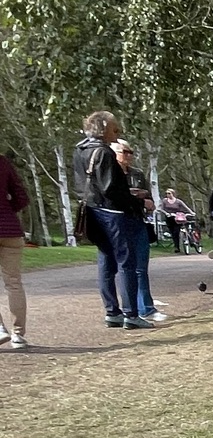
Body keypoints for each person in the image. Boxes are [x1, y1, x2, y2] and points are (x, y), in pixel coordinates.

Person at [73, 110, 152, 330]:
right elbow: (111, 189)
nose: (117, 132)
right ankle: (131, 314)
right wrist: (135, 201)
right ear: (103, 128)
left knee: (106, 262)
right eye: (114, 128)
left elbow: (80, 184)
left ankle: (112, 312)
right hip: (113, 213)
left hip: (92, 210)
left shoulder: (80, 150)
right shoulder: (104, 152)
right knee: (126, 263)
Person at [112, 140, 168, 322]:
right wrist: (134, 197)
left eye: (131, 152)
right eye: (124, 152)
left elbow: (149, 199)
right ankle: (124, 311)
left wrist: (146, 201)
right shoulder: (109, 173)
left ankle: (146, 309)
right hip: (118, 223)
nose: (128, 156)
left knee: (141, 268)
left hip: (138, 221)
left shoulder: (137, 174)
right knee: (122, 268)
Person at [0, 151, 29, 348]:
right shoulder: (3, 162)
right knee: (14, 283)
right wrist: (8, 210)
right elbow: (21, 196)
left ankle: (0, 329)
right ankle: (18, 334)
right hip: (10, 229)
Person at [161, 186, 195, 251]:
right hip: (169, 218)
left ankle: (187, 242)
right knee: (172, 232)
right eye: (167, 193)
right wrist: (166, 213)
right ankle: (176, 246)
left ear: (173, 194)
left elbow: (185, 207)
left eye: (169, 193)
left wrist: (191, 212)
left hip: (177, 218)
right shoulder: (165, 201)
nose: (168, 195)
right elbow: (161, 209)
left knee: (176, 231)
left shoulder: (178, 201)